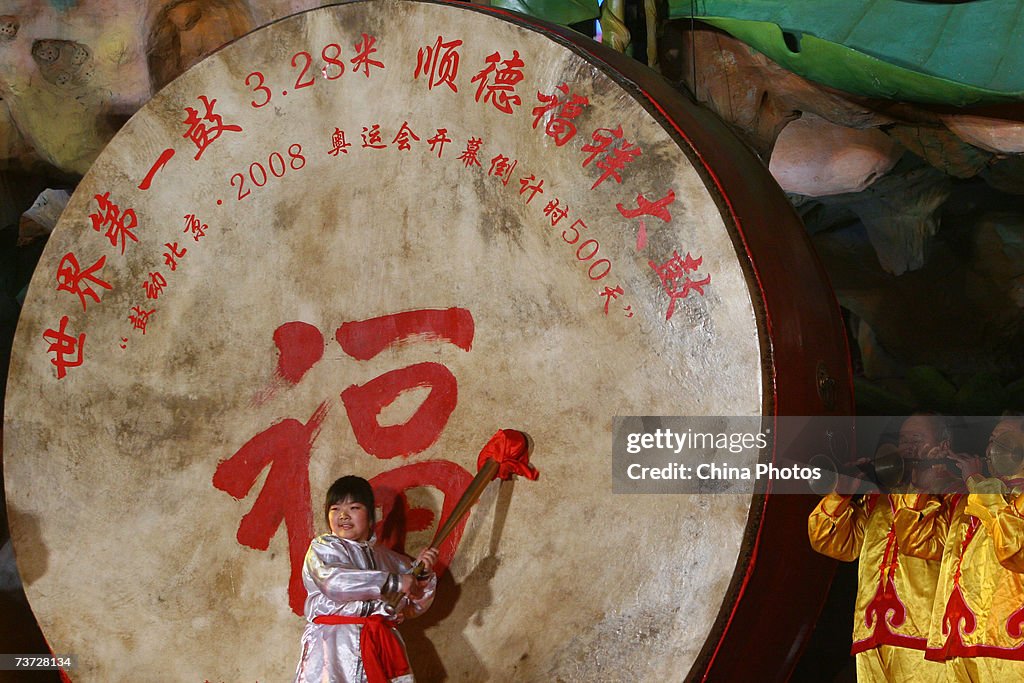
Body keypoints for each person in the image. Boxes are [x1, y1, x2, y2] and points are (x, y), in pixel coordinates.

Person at [808, 414, 953, 682]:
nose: (907, 447)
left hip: (925, 636)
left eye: (917, 439)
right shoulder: (880, 499)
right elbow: (829, 542)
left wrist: (921, 487)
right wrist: (842, 494)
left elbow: (932, 545)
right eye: (903, 440)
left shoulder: (954, 494)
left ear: (942, 446)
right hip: (870, 635)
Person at [904, 415, 1024, 681]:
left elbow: (1014, 548)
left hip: (1009, 646)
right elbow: (919, 545)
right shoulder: (968, 499)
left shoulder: (992, 494)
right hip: (959, 643)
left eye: (1004, 441)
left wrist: (975, 480)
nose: (993, 449)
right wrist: (928, 483)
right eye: (991, 441)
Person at [294, 475, 440, 683]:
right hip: (334, 649)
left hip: (382, 647)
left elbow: (411, 606)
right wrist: (395, 582)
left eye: (353, 507)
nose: (343, 515)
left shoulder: (392, 561)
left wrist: (421, 575)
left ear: (371, 517)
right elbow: (334, 583)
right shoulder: (323, 549)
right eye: (335, 508)